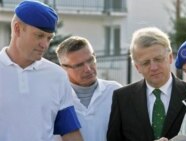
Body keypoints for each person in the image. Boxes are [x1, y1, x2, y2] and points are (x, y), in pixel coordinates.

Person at [0, 1, 83, 141]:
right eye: (39, 36)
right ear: (17, 29)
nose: (44, 44)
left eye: (49, 38)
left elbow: (70, 132)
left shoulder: (57, 76)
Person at [107, 27, 186, 141]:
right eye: (146, 63)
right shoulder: (122, 98)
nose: (154, 67)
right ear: (137, 67)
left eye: (158, 59)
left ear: (170, 57)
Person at [56, 36, 122, 141]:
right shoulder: (56, 99)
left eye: (90, 60)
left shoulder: (116, 92)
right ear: (63, 68)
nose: (88, 69)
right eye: (79, 65)